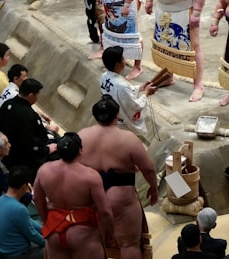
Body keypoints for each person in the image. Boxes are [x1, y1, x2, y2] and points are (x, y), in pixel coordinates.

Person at [79, 96, 159, 259]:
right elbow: (149, 168)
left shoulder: (81, 136)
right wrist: (154, 188)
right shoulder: (127, 138)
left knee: (94, 242)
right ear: (117, 115)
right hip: (121, 196)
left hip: (92, 196)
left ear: (95, 116)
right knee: (129, 244)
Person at [34, 133, 113, 259]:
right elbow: (105, 211)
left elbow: (37, 199)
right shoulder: (91, 176)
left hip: (55, 231)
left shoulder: (44, 170)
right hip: (83, 234)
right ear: (80, 151)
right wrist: (111, 232)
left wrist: (47, 221)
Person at [0, 78, 56, 175]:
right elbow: (32, 143)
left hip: (5, 149)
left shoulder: (7, 104)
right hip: (20, 158)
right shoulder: (30, 115)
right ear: (31, 95)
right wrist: (47, 150)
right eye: (37, 95)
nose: (38, 98)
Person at [98, 46, 157, 139]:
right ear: (117, 64)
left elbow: (121, 93)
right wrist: (146, 93)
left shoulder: (104, 76)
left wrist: (140, 88)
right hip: (121, 124)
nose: (124, 61)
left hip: (110, 119)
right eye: (123, 59)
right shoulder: (121, 86)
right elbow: (135, 105)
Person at [0, 166, 45, 259]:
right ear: (25, 186)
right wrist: (50, 242)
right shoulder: (19, 209)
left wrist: (45, 230)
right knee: (57, 249)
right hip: (17, 255)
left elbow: (28, 221)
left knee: (39, 224)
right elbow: (32, 235)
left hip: (2, 251)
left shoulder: (0, 199)